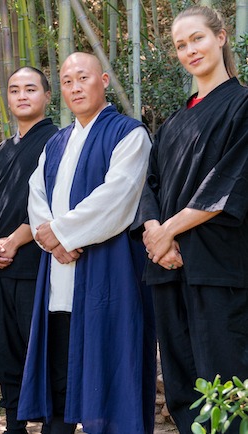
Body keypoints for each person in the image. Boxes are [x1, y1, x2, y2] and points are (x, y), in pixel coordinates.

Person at [17, 52, 156, 434]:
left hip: (109, 277)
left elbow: (119, 197)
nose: (75, 87)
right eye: (66, 81)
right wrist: (52, 239)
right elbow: (37, 197)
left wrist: (60, 233)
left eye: (83, 78)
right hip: (59, 276)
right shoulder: (55, 144)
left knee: (109, 378)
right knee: (59, 381)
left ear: (104, 80)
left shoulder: (129, 133)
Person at [131, 6, 248, 433]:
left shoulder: (243, 105)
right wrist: (153, 235)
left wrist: (167, 232)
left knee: (227, 383)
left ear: (220, 37)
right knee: (183, 386)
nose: (189, 50)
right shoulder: (174, 123)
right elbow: (150, 185)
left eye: (197, 38)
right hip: (167, 268)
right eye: (180, 45)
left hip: (218, 270)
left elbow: (228, 184)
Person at [0, 66, 58, 434]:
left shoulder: (59, 142)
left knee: (42, 346)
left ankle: (54, 423)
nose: (22, 95)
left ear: (47, 96)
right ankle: (14, 425)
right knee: (3, 349)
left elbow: (52, 202)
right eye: (14, 89)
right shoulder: (1, 150)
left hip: (37, 263)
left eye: (30, 89)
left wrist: (14, 241)